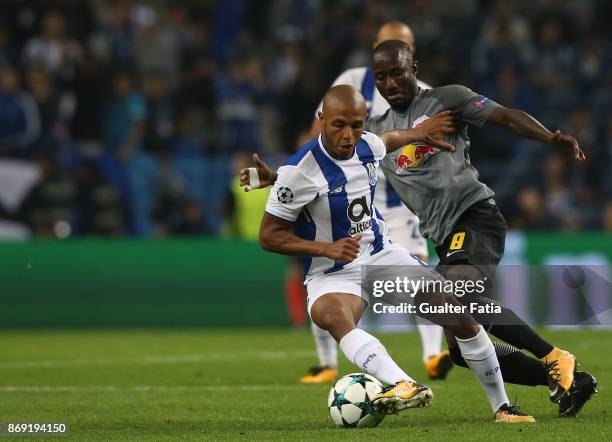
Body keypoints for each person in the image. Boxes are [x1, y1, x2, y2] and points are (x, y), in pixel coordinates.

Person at [256, 84, 534, 423]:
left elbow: (389, 140)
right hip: (331, 269)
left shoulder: (367, 144)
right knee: (332, 316)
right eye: (339, 125)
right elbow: (269, 236)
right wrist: (323, 247)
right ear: (322, 119)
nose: (348, 135)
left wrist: (420, 132)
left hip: (381, 255)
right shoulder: (298, 172)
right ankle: (404, 384)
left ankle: (502, 407)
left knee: (456, 312)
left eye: (356, 125)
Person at [364, 39, 595, 416]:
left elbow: (504, 115)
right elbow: (331, 160)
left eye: (397, 73)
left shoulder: (446, 100)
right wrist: (278, 177)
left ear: (414, 69)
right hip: (443, 237)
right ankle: (564, 380)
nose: (389, 83)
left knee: (457, 295)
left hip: (474, 216)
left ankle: (554, 356)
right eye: (381, 77)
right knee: (460, 347)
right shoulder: (377, 133)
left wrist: (550, 137)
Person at [303, 21, 451, 384]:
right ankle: (326, 363)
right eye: (386, 45)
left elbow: (436, 155)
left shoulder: (428, 95)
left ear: (412, 54)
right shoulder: (352, 80)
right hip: (346, 197)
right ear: (374, 49)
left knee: (419, 270)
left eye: (402, 46)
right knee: (328, 274)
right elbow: (317, 130)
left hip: (400, 203)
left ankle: (433, 355)